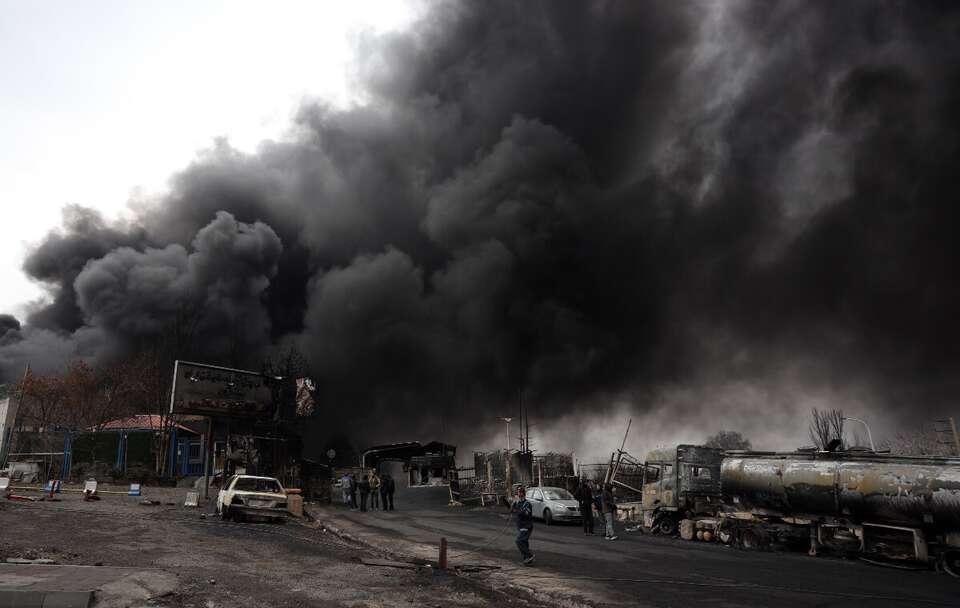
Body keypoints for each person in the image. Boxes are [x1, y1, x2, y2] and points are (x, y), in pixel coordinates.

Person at [511, 485, 535, 565]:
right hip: (520, 526)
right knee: (524, 542)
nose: (518, 494)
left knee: (519, 541)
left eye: (520, 492)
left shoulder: (527, 503)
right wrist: (513, 504)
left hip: (526, 526)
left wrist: (517, 509)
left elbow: (525, 513)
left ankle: (529, 556)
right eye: (518, 492)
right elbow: (512, 510)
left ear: (523, 493)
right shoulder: (517, 503)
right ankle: (528, 560)